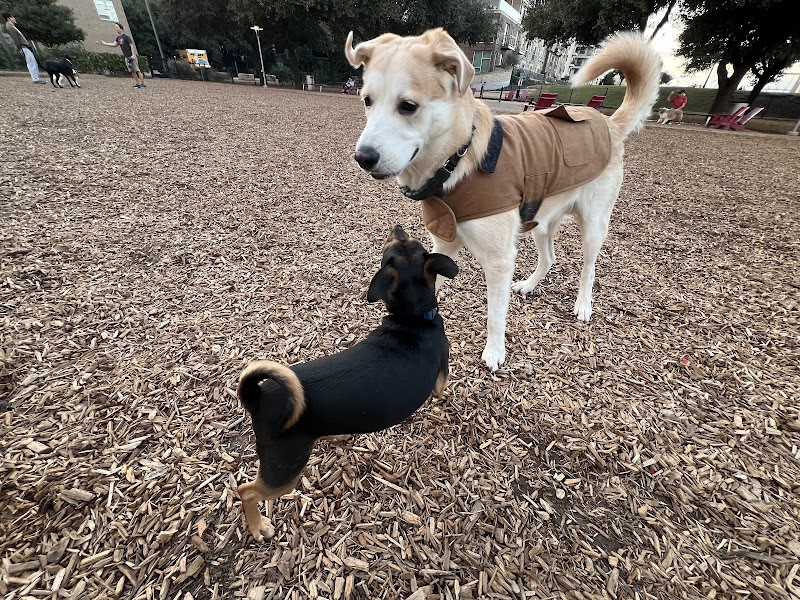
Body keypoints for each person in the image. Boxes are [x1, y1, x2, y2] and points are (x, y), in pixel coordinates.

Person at [97, 23, 146, 88]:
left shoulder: (126, 37)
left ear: (121, 28)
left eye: (117, 27)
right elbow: (114, 44)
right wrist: (105, 43)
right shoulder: (118, 38)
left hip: (131, 56)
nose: (116, 29)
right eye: (115, 27)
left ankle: (142, 84)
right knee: (132, 71)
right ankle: (137, 83)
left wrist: (133, 54)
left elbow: (131, 45)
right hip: (126, 57)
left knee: (137, 70)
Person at [2, 13, 45, 84]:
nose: (14, 18)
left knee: (33, 61)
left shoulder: (12, 26)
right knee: (31, 62)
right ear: (8, 18)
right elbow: (15, 39)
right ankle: (35, 79)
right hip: (23, 46)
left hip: (25, 46)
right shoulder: (10, 27)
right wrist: (20, 48)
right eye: (12, 17)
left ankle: (36, 78)